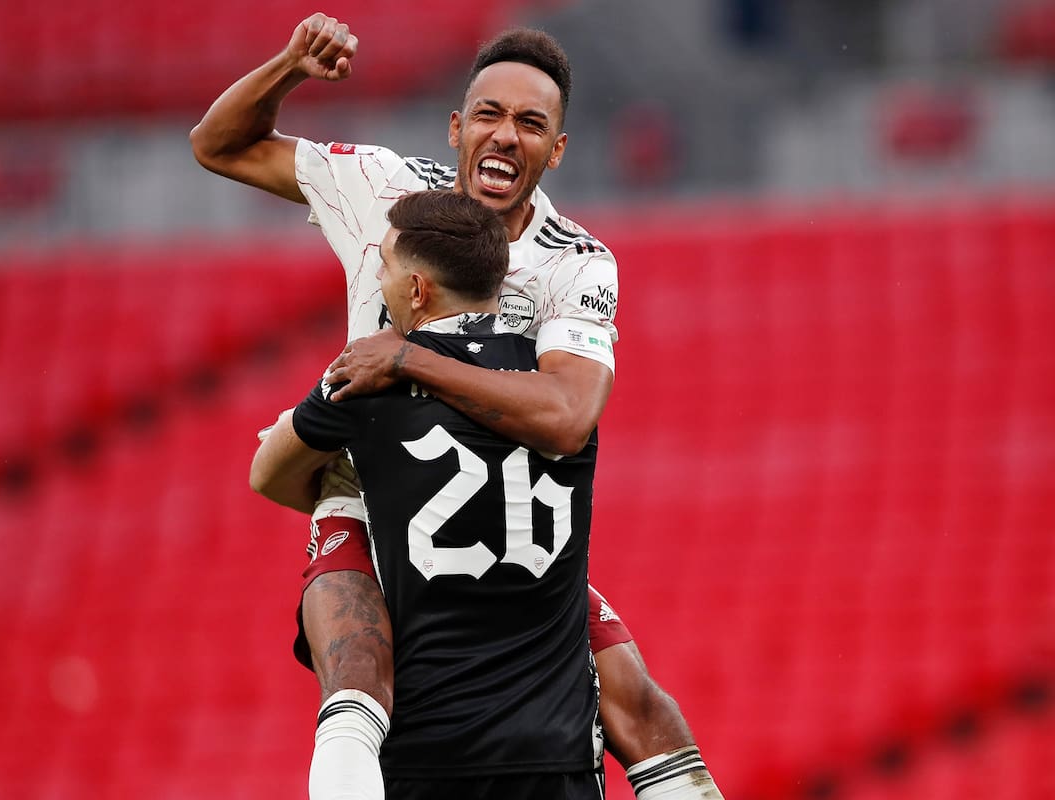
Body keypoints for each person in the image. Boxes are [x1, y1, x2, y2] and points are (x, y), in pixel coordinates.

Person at [191, 12, 723, 800]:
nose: (507, 136)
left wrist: (406, 360)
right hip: (370, 496)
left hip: (497, 518)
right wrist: (291, 65)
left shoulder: (575, 263)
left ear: (557, 149)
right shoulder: (382, 188)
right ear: (456, 126)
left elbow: (571, 415)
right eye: (490, 114)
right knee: (357, 663)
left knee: (637, 700)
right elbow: (219, 144)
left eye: (531, 124)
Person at [252, 189, 604, 799]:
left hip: (433, 747)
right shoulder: (558, 391)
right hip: (558, 747)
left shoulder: (369, 381)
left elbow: (269, 474)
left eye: (385, 266)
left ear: (416, 290)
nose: (379, 280)